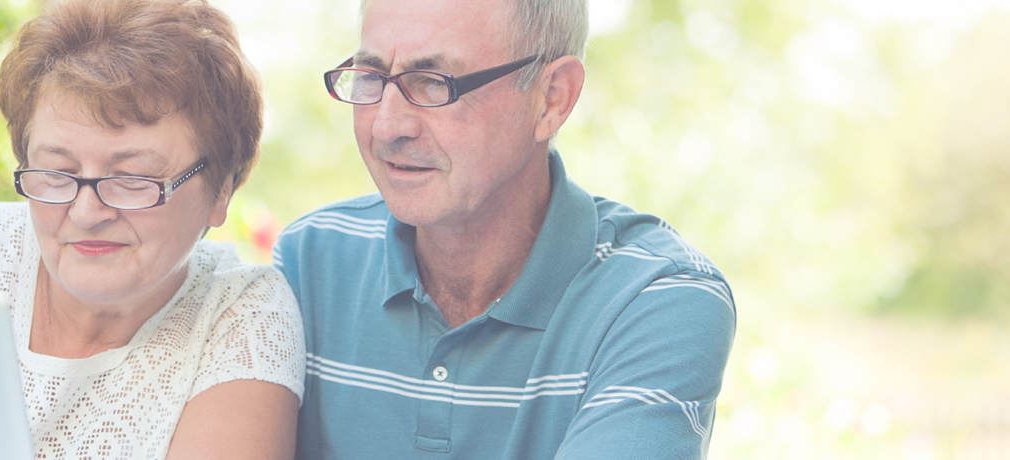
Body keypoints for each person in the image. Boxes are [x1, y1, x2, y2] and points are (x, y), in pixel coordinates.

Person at [0, 0, 304, 458]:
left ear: (220, 192)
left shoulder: (241, 315)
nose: (86, 212)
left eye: (132, 178)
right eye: (56, 173)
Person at [272, 0, 736, 457]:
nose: (386, 127)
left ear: (552, 98)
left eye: (433, 83)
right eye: (372, 77)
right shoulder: (308, 262)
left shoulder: (654, 297)